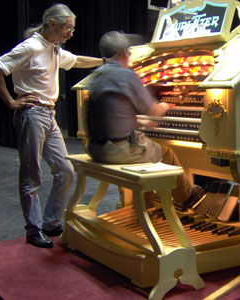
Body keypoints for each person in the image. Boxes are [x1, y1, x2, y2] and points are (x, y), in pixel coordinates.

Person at [0, 4, 104, 248]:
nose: (70, 33)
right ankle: (33, 228)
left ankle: (50, 222)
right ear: (51, 23)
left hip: (49, 115)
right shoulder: (31, 46)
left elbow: (77, 60)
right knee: (32, 174)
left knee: (65, 170)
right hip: (32, 113)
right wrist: (10, 101)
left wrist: (106, 61)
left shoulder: (53, 48)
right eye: (67, 28)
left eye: (72, 29)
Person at [86, 31, 205, 208]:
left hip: (95, 147)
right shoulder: (125, 75)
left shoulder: (96, 76)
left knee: (149, 150)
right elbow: (155, 111)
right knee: (166, 153)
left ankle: (148, 208)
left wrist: (141, 122)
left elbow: (114, 115)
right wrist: (166, 105)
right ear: (124, 52)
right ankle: (186, 197)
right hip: (116, 150)